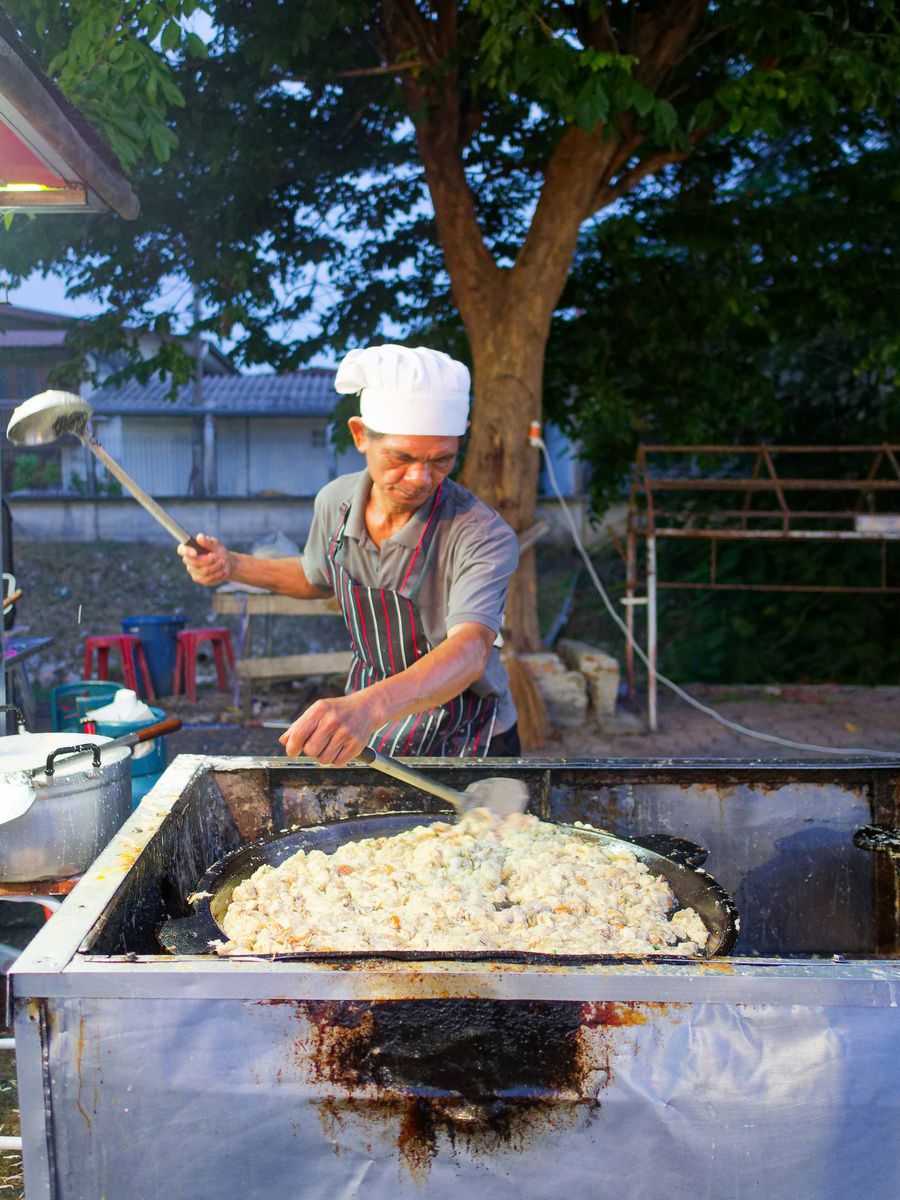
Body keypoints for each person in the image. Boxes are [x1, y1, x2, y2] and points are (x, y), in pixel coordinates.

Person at [178, 344, 520, 766]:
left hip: (466, 733)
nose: (420, 478)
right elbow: (314, 576)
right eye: (402, 457)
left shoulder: (480, 533)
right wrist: (233, 565)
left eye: (441, 460)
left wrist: (366, 708)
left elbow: (470, 651)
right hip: (374, 723)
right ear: (360, 435)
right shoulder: (335, 502)